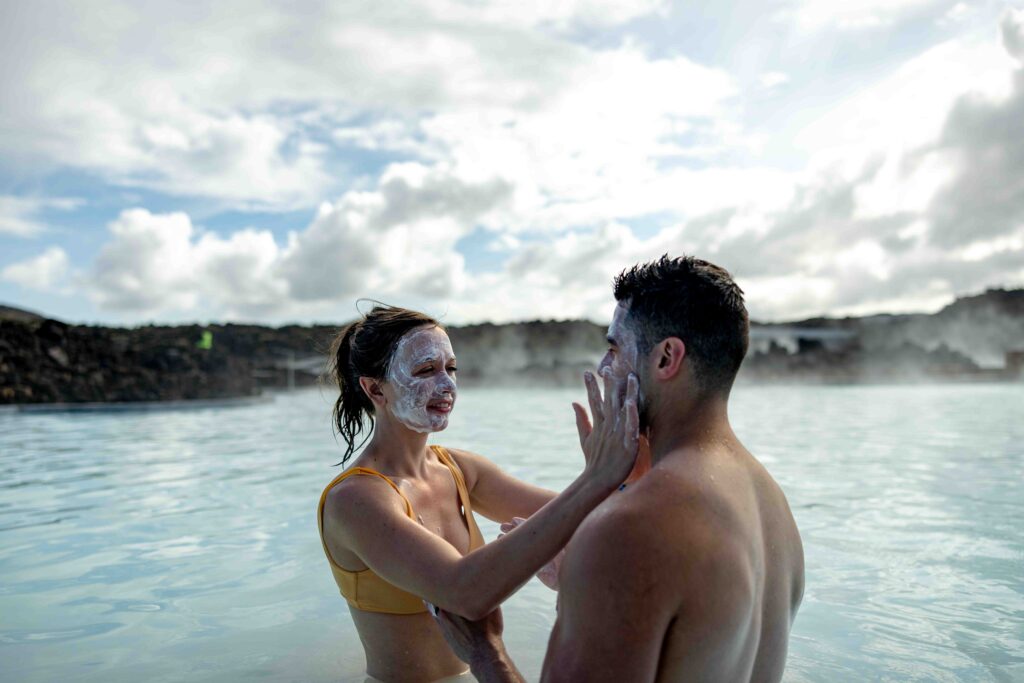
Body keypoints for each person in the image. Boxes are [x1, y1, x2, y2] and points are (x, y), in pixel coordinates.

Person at [432, 255, 806, 682]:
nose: (605, 369)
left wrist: (485, 653)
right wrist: (588, 583)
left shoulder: (631, 526)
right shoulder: (773, 507)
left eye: (613, 348)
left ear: (666, 358)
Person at [317, 305, 642, 682]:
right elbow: (464, 590)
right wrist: (594, 479)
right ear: (374, 388)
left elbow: (589, 516)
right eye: (426, 370)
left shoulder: (459, 469)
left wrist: (633, 465)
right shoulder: (354, 500)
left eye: (451, 368)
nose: (447, 385)